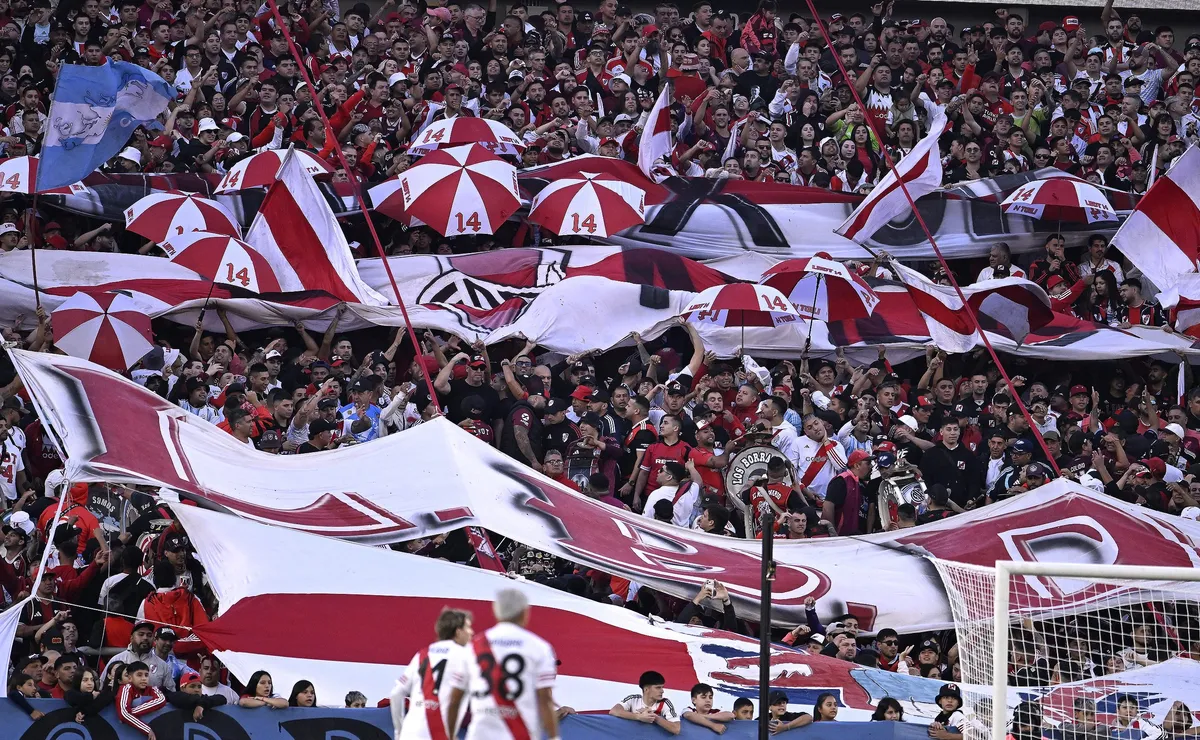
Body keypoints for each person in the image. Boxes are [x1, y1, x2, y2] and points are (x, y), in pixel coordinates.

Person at [461, 589, 560, 740]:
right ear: (525, 613)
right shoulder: (539, 647)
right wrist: (554, 737)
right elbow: (545, 699)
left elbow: (456, 694)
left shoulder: (474, 645)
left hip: (481, 733)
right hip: (520, 732)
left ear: (496, 611)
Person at [391, 607, 474, 739]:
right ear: (458, 632)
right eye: (468, 628)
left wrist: (399, 731)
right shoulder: (466, 656)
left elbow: (396, 694)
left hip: (409, 733)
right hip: (438, 733)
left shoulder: (422, 655)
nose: (472, 632)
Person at [611, 669, 682, 733]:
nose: (662, 691)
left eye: (662, 687)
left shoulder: (665, 703)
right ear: (646, 689)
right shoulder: (633, 699)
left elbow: (676, 729)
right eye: (658, 688)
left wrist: (654, 717)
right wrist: (639, 717)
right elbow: (614, 711)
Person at [115, 662, 167, 738]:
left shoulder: (153, 689)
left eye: (146, 675)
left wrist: (131, 712)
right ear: (130, 678)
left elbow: (162, 700)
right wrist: (147, 729)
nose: (144, 678)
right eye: (139, 675)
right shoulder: (126, 688)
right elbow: (123, 713)